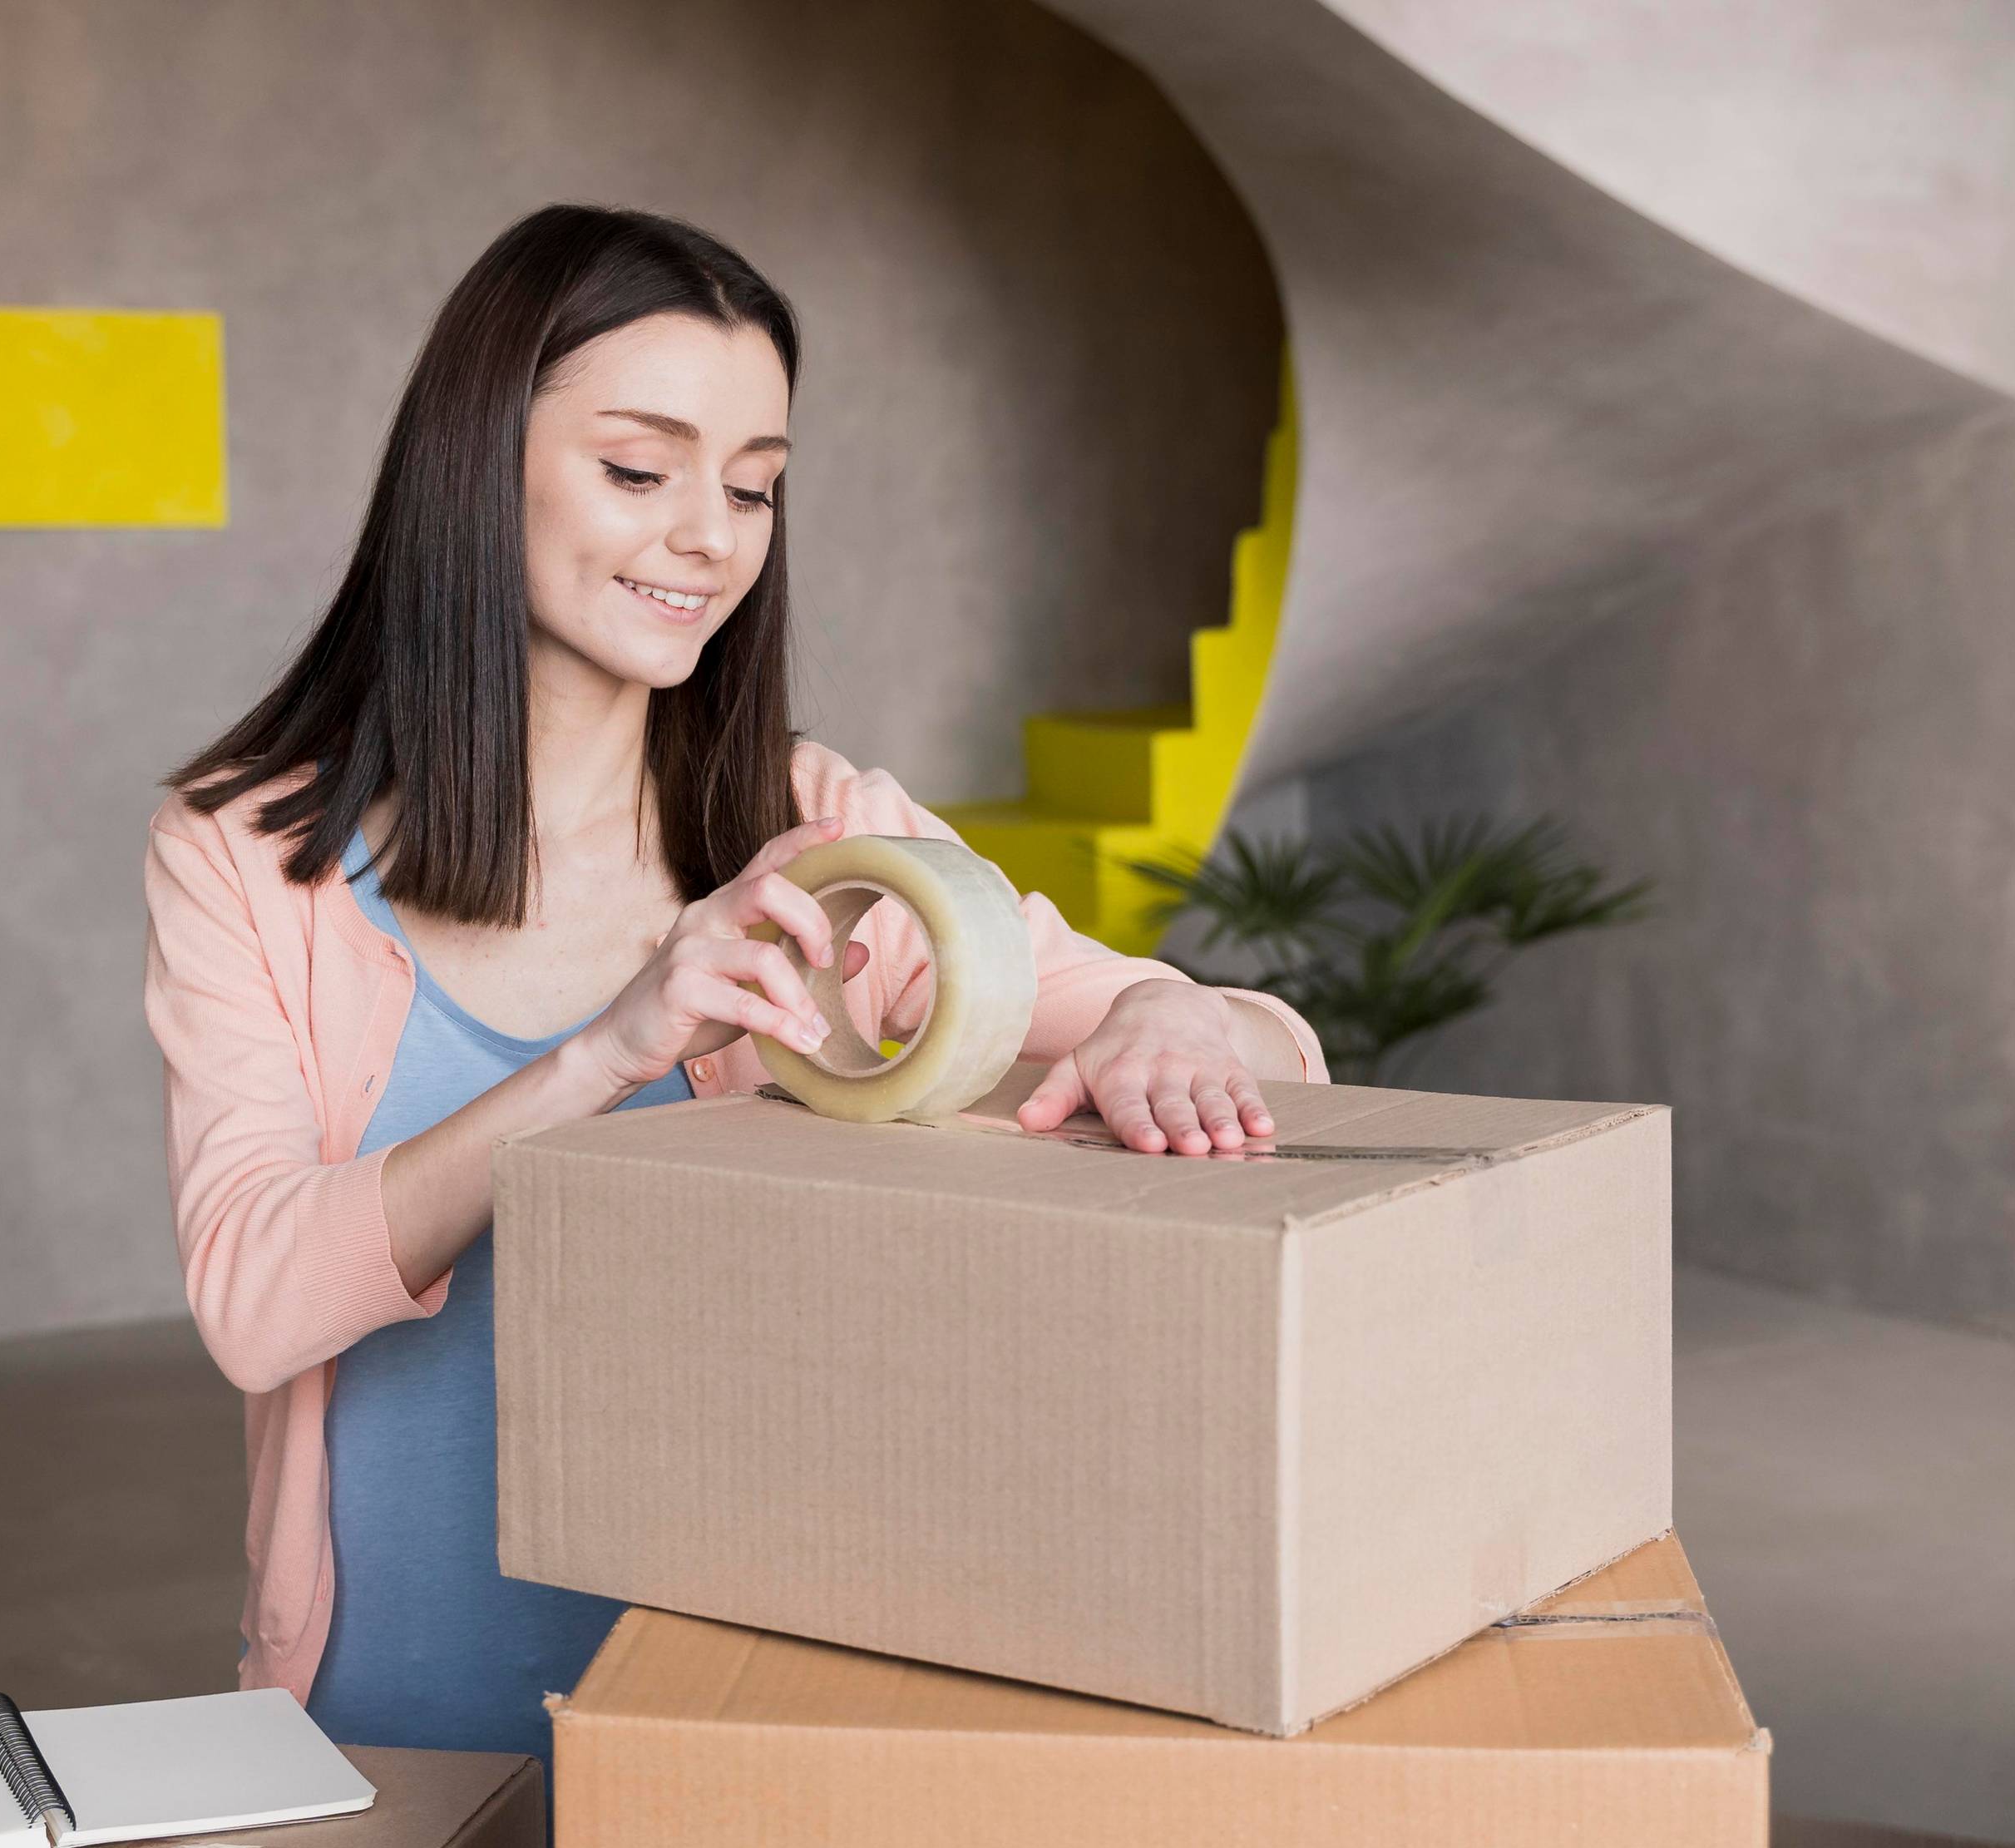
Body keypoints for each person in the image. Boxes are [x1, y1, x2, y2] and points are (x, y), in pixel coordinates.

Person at [141, 204, 1321, 1766]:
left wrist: (1171, 1009)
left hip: (721, 1725)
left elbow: (1274, 1054)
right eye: (642, 470)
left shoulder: (821, 839)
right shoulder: (245, 851)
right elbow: (253, 1299)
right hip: (376, 1727)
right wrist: (606, 1052)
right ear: (473, 463)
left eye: (755, 486)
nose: (712, 535)